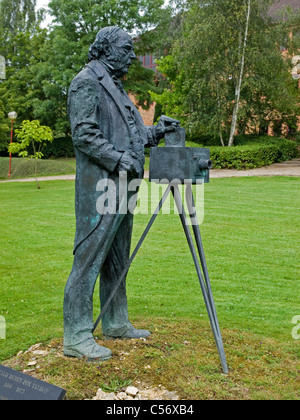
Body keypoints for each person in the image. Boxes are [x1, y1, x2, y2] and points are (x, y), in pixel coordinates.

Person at [63, 26, 178, 361]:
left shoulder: (115, 85)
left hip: (124, 185)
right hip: (101, 186)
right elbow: (84, 134)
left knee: (117, 260)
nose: (132, 56)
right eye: (127, 49)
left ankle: (114, 322)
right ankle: (77, 336)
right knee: (89, 260)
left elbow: (132, 133)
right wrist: (117, 158)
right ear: (105, 49)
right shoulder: (87, 81)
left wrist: (157, 131)